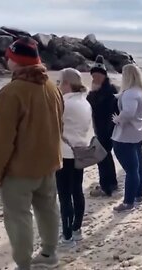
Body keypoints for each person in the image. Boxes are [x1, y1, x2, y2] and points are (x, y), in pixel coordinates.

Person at [0, 37, 62, 269]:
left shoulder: (11, 92)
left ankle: (24, 264)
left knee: (18, 217)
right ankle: (49, 254)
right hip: (48, 163)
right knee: (48, 209)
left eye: (9, 56)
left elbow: (1, 141)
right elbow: (59, 125)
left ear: (16, 61)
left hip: (19, 170)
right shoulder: (52, 87)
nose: (6, 59)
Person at [56, 68, 93, 248]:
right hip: (81, 150)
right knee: (77, 191)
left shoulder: (64, 103)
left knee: (64, 195)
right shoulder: (85, 102)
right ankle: (77, 230)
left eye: (59, 82)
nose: (57, 85)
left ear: (67, 83)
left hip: (65, 153)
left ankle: (67, 236)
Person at [111, 64, 142, 212]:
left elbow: (128, 112)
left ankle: (128, 202)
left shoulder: (130, 93)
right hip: (139, 131)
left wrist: (118, 119)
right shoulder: (141, 91)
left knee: (131, 169)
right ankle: (138, 195)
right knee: (138, 165)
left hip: (127, 134)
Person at [87, 55, 119, 197]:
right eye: (93, 75)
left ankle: (106, 187)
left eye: (98, 75)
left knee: (101, 157)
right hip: (102, 128)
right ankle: (112, 183)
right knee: (106, 157)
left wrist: (93, 93)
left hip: (108, 128)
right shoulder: (98, 89)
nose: (95, 78)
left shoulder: (109, 90)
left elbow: (100, 107)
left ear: (104, 76)